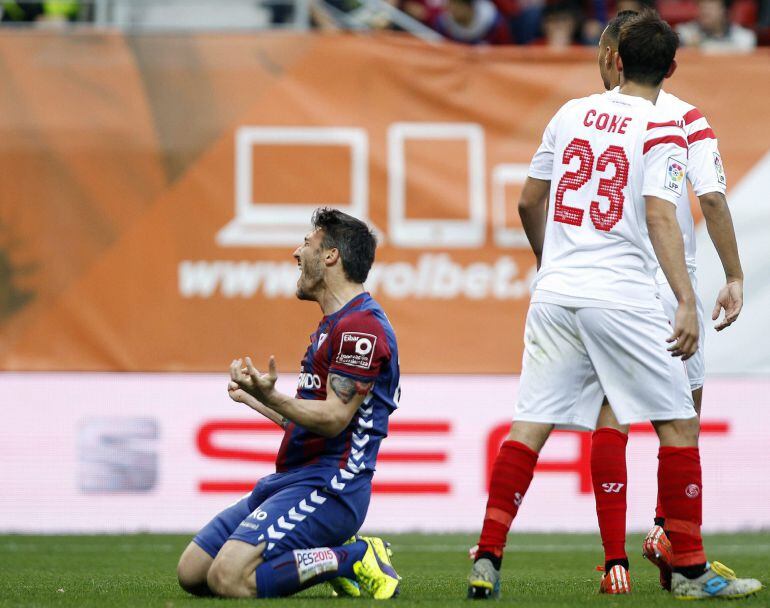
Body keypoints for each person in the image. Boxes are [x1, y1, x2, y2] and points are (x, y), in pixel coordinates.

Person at [466, 9, 761, 601]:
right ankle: (691, 569)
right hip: (624, 295)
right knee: (678, 424)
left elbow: (529, 203)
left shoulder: (570, 112)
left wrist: (554, 265)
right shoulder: (666, 129)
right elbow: (661, 215)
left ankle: (488, 555)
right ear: (672, 68)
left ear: (615, 60)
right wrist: (685, 299)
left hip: (556, 294)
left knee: (531, 423)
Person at [591, 9, 748, 595]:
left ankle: (617, 563)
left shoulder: (581, 119)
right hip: (666, 282)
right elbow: (710, 199)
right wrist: (733, 276)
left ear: (612, 56)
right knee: (683, 418)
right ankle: (672, 539)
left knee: (612, 410)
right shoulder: (685, 118)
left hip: (604, 284)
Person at [176, 208, 401, 600]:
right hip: (292, 480)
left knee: (228, 578)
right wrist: (257, 399)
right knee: (193, 572)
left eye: (307, 244)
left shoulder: (360, 327)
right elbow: (308, 419)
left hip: (333, 485)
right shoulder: (330, 328)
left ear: (331, 256)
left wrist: (274, 396)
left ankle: (355, 555)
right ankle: (326, 557)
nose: (297, 253)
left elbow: (332, 419)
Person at [677, 0, 756, 52]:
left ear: (725, 10)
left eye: (711, 7)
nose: (705, 11)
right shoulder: (685, 34)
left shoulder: (744, 37)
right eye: (702, 6)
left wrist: (702, 47)